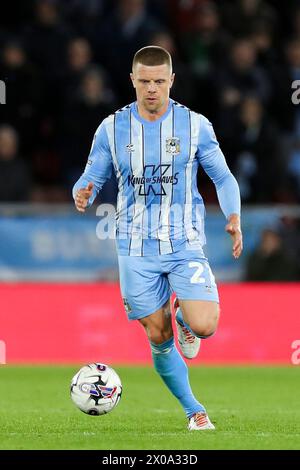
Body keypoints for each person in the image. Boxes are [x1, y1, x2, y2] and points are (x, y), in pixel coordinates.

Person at [73, 46, 242, 430]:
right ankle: (194, 411)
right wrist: (81, 191)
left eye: (159, 81)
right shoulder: (112, 128)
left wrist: (234, 216)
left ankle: (184, 314)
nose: (152, 89)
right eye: (145, 81)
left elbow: (223, 177)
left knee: (205, 325)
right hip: (134, 247)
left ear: (172, 81)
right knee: (157, 333)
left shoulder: (194, 125)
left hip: (183, 242)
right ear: (132, 80)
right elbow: (91, 177)